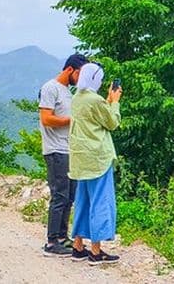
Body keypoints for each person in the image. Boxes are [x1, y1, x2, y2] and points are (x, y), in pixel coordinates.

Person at [68, 62, 122, 265]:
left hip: (81, 159)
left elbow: (95, 116)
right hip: (98, 158)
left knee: (83, 200)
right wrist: (114, 101)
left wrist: (106, 101)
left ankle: (78, 245)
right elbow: (112, 122)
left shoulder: (77, 98)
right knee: (100, 200)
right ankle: (96, 251)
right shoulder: (95, 100)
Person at [39, 53, 89, 257]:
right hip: (55, 150)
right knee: (59, 195)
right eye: (79, 74)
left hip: (69, 149)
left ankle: (62, 236)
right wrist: (72, 121)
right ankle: (52, 242)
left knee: (69, 196)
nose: (80, 80)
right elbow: (47, 119)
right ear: (70, 70)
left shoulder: (68, 92)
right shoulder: (51, 88)